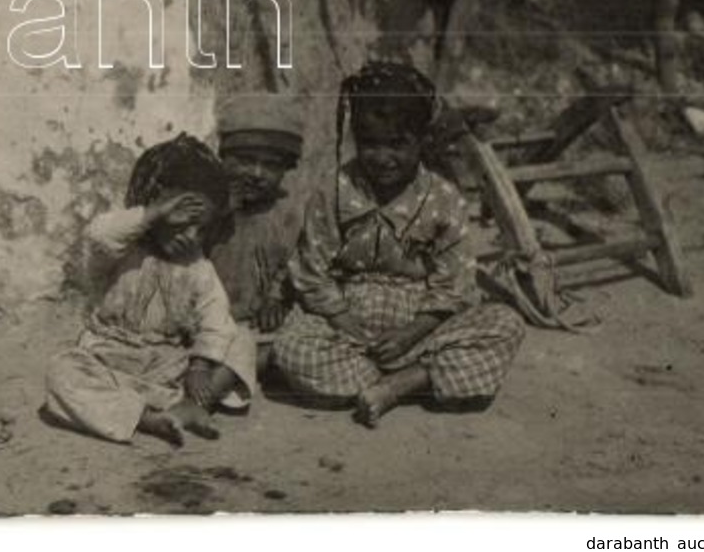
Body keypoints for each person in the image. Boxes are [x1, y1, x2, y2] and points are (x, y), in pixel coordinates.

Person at [272, 62, 526, 427]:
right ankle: (412, 379)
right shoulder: (334, 190)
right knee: (292, 348)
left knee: (506, 323)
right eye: (370, 144)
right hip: (346, 324)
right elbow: (312, 270)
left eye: (397, 144)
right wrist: (346, 324)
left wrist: (412, 334)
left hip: (421, 325)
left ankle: (407, 381)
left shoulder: (444, 198)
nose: (382, 157)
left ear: (422, 141)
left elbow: (454, 284)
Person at [44, 134, 257, 447]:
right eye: (181, 223)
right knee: (61, 371)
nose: (191, 237)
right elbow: (98, 235)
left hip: (171, 370)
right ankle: (143, 418)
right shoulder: (121, 251)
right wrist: (153, 215)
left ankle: (194, 406)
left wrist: (199, 367)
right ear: (151, 206)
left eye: (201, 228)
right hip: (110, 363)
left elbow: (215, 320)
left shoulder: (197, 267)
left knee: (241, 339)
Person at [205, 93, 308, 339]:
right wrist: (220, 212)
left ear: (286, 169)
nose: (257, 174)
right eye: (245, 160)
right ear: (223, 156)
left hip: (256, 325)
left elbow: (292, 266)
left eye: (271, 165)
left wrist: (276, 300)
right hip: (203, 317)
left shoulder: (289, 214)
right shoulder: (204, 204)